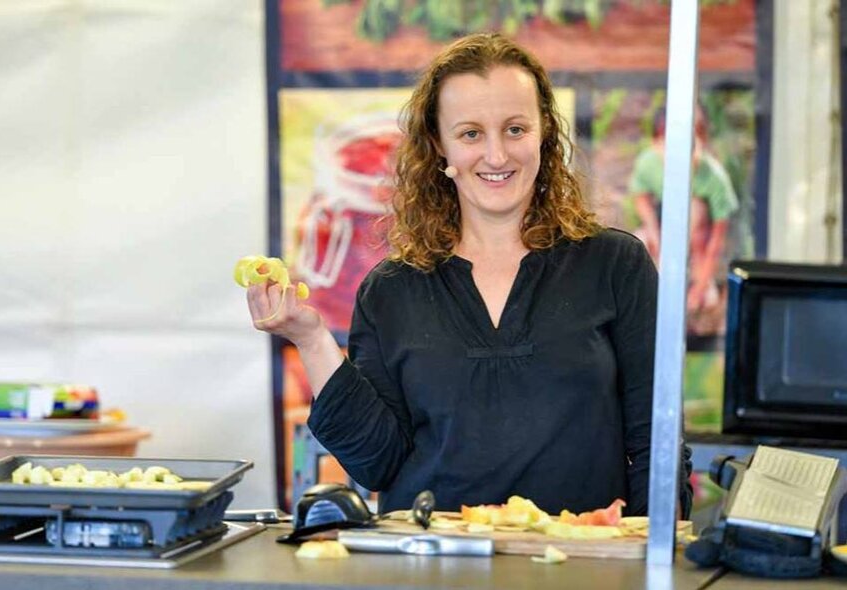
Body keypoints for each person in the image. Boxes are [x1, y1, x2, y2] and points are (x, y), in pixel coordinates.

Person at [247, 33, 693, 517]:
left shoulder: (615, 265)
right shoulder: (391, 290)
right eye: (471, 134)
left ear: (545, 132)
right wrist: (310, 339)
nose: (497, 156)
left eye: (516, 129)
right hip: (432, 563)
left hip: (583, 563)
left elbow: (659, 444)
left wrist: (650, 556)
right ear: (440, 146)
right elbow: (377, 464)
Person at [627, 105, 739, 317]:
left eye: (691, 143)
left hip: (699, 245)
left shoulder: (714, 177)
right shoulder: (648, 163)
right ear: (657, 143)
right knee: (639, 241)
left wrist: (701, 284)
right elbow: (640, 197)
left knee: (695, 208)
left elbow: (717, 237)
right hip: (664, 235)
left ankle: (700, 288)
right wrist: (654, 234)